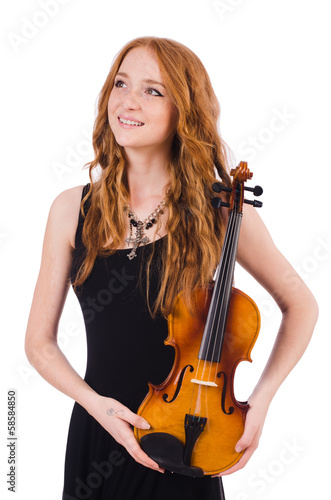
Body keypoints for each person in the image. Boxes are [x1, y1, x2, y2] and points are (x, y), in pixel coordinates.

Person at [24, 36, 318, 500]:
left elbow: (301, 303)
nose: (128, 100)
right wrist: (97, 407)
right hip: (98, 435)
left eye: (152, 90)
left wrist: (258, 403)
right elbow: (38, 344)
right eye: (121, 84)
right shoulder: (69, 209)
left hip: (188, 439)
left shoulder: (221, 210)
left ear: (185, 110)